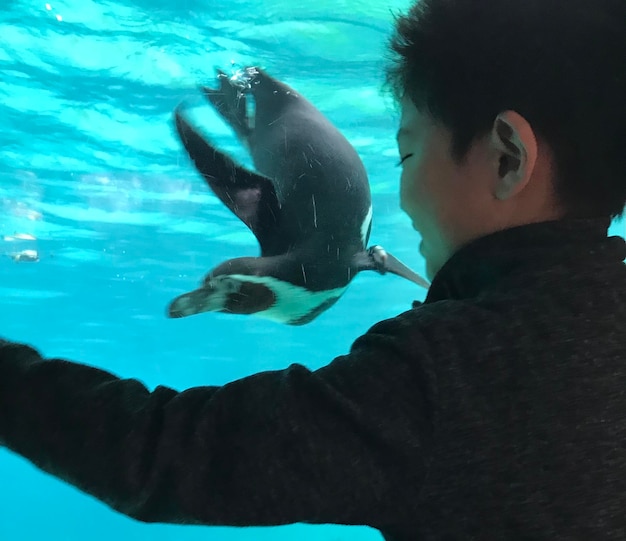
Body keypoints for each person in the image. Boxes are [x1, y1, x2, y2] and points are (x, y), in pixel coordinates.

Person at [1, 0, 626, 539]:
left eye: (408, 152)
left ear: (507, 158)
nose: (405, 196)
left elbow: (154, 456)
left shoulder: (439, 379)